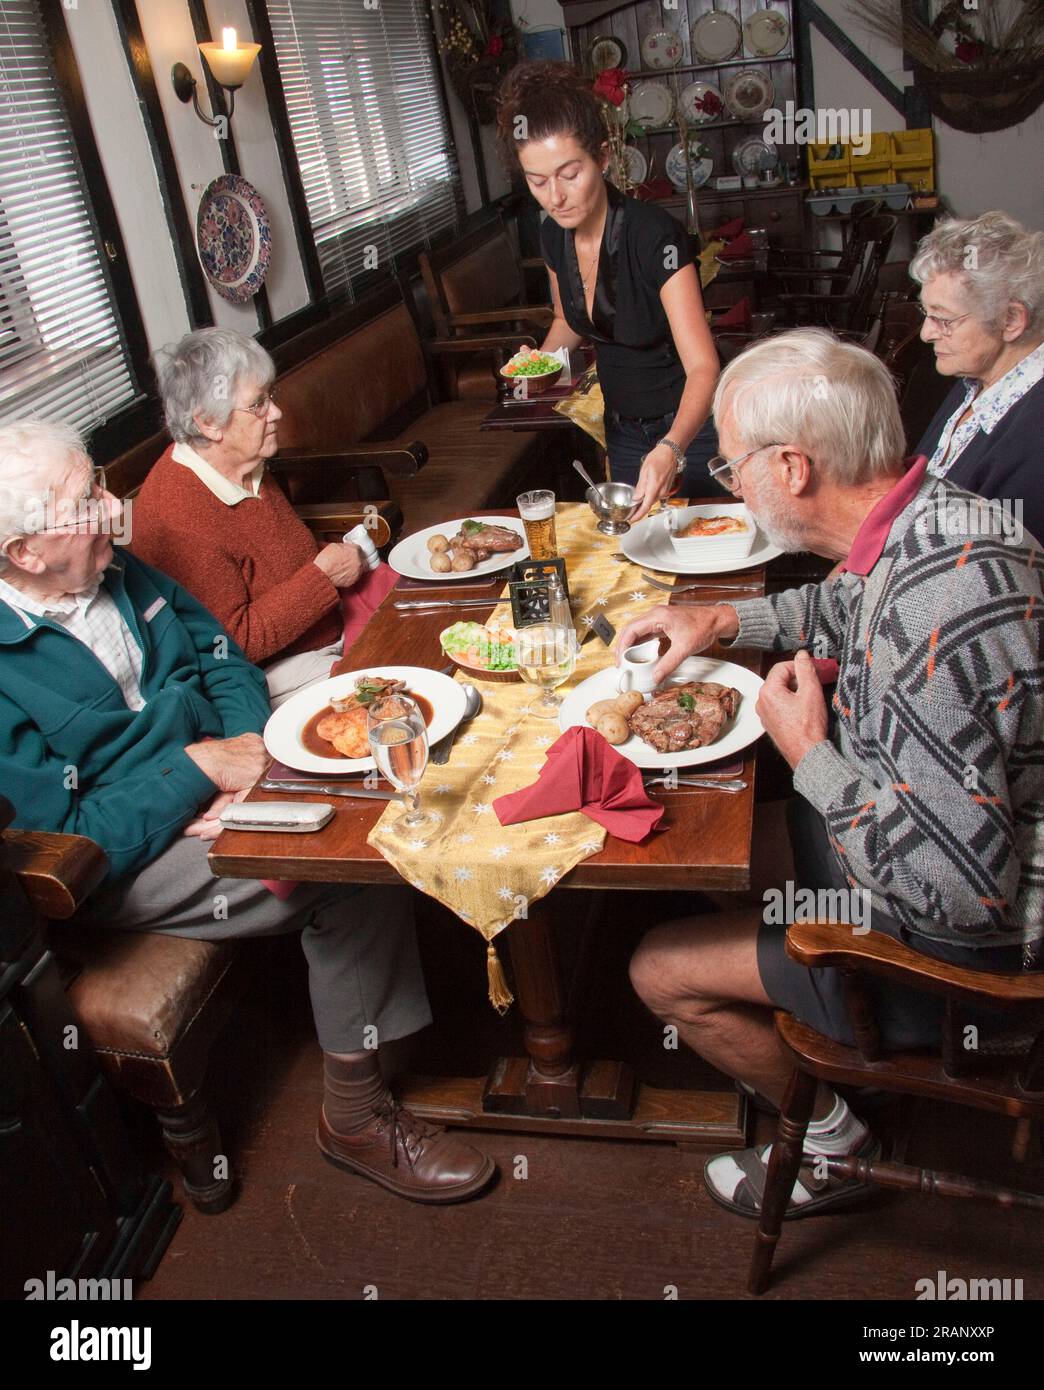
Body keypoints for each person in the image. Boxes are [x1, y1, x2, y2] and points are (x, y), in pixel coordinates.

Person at [0, 419, 494, 1204]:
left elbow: (223, 658)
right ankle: (355, 1119)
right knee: (341, 864)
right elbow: (67, 839)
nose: (112, 500)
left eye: (98, 479)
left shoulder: (118, 568)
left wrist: (238, 742)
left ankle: (457, 951)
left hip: (221, 770)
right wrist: (194, 774)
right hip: (121, 860)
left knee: (386, 755)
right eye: (85, 498)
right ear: (26, 551)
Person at [617, 329, 1043, 1222]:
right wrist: (719, 619)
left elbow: (964, 895)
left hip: (970, 961)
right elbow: (842, 602)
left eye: (735, 469)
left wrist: (810, 757)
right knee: (729, 855)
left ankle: (837, 1142)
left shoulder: (932, 609)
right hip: (929, 844)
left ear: (793, 467)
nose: (731, 485)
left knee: (658, 970)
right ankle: (811, 1021)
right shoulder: (929, 513)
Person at [496, 61, 721, 522]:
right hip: (622, 429)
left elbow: (704, 366)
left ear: (601, 158)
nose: (555, 196)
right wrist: (539, 364)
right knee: (637, 563)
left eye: (570, 173)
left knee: (703, 557)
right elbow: (567, 321)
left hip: (693, 429)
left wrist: (671, 449)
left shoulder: (654, 235)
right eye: (538, 182)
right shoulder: (553, 236)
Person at [130, 328, 396, 708]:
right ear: (208, 423)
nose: (276, 412)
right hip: (275, 669)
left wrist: (335, 559)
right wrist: (322, 577)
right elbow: (233, 644)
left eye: (271, 395)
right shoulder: (179, 516)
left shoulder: (238, 456)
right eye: (258, 404)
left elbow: (274, 557)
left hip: (326, 626)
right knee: (405, 688)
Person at [912, 211, 1044, 545]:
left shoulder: (1035, 436)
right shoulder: (975, 376)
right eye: (926, 313)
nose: (926, 333)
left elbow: (993, 567)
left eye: (943, 319)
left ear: (1011, 319)